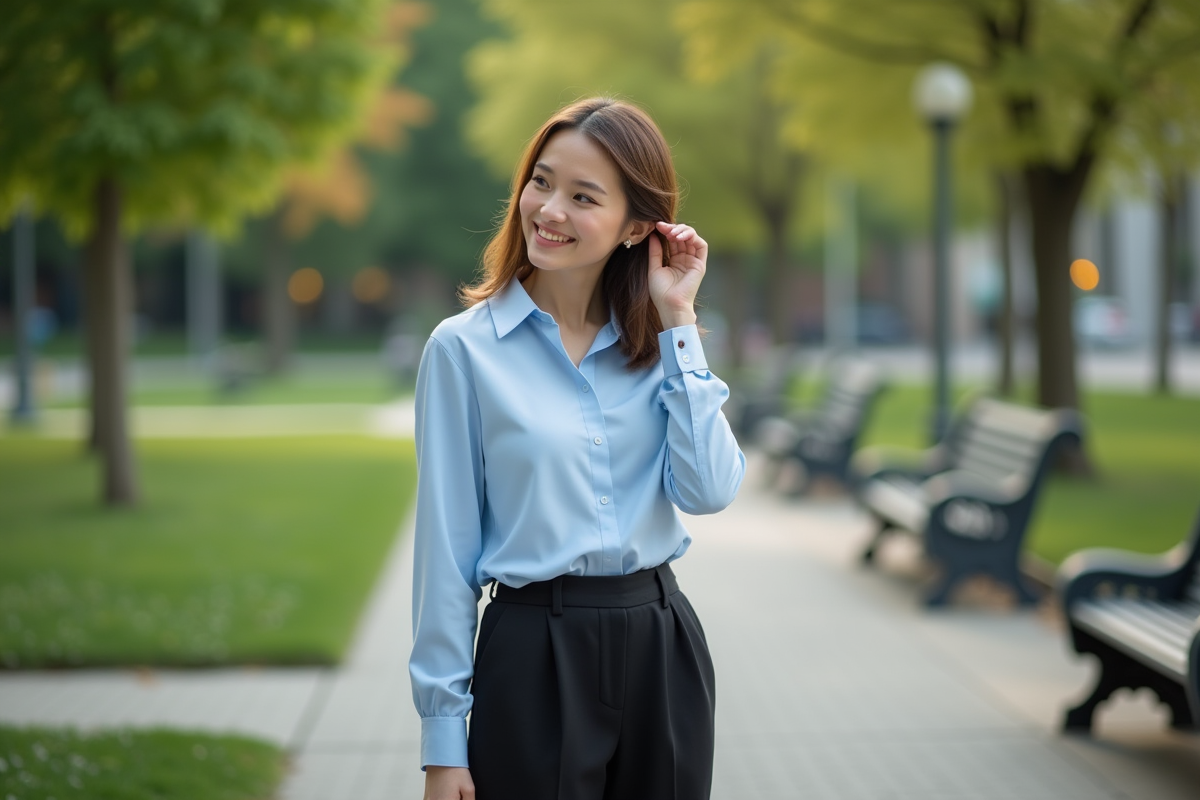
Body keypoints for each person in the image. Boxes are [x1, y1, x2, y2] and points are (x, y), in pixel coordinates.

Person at [410, 96, 746, 800]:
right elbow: (445, 553)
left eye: (583, 197)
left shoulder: (660, 349)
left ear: (635, 228)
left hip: (662, 647)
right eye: (541, 182)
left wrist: (679, 320)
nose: (549, 210)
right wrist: (443, 743)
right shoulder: (463, 351)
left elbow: (710, 490)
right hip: (532, 654)